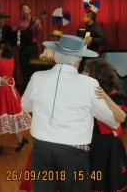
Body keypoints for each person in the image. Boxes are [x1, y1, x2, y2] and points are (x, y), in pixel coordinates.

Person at [21, 35, 125, 192]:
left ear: (55, 56)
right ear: (78, 59)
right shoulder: (89, 84)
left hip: (41, 147)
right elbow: (112, 121)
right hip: (73, 151)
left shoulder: (37, 77)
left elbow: (25, 106)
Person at [83, 59, 127, 192]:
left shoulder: (116, 95)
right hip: (88, 143)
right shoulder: (85, 95)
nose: (83, 73)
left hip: (107, 146)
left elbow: (122, 117)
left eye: (86, 71)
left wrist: (104, 96)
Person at [13, 4, 43, 92]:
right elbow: (13, 31)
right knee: (24, 67)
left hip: (32, 46)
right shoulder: (19, 22)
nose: (24, 11)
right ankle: (26, 87)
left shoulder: (35, 20)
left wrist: (37, 25)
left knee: (33, 67)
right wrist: (18, 30)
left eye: (26, 9)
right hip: (23, 47)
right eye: (22, 9)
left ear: (30, 10)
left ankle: (33, 87)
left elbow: (40, 31)